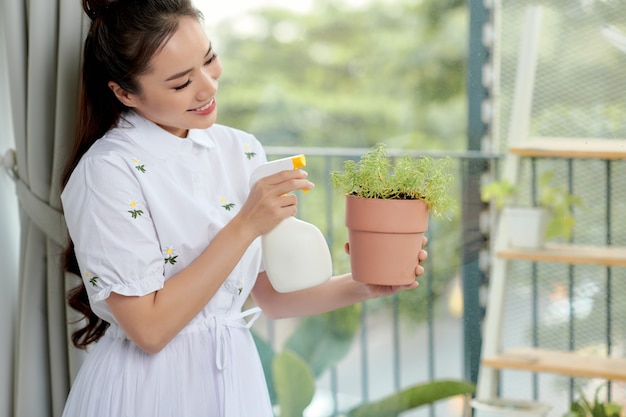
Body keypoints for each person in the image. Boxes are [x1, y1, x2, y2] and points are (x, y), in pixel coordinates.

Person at [60, 0, 428, 416]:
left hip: (235, 377)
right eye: (181, 83)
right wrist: (246, 224)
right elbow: (149, 329)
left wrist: (365, 285)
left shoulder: (240, 149)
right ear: (124, 92)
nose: (208, 87)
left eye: (210, 59)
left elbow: (270, 298)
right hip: (152, 390)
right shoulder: (107, 172)